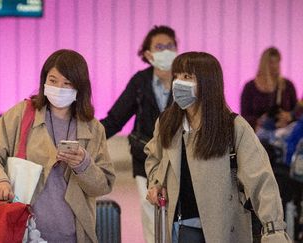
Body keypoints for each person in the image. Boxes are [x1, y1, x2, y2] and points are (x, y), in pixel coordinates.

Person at [145, 52, 290, 242]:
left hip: (223, 229)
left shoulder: (233, 126)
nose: (178, 83)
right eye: (177, 76)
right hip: (179, 227)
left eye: (187, 77)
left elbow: (261, 181)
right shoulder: (167, 123)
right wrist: (156, 183)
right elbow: (153, 157)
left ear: (207, 83)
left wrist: (274, 230)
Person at [0, 49, 115, 242]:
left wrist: (83, 165)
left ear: (80, 87)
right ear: (44, 81)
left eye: (67, 83)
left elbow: (103, 185)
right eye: (53, 80)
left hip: (74, 234)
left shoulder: (93, 128)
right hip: (23, 230)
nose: (59, 88)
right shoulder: (22, 114)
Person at [100, 25, 177, 243]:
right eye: (159, 47)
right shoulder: (140, 82)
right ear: (148, 54)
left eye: (170, 46)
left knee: (179, 218)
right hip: (146, 160)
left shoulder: (185, 80)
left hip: (180, 163)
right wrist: (88, 138)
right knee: (152, 217)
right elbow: (115, 119)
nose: (166, 51)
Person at [241, 47, 297, 132]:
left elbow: (297, 111)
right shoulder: (250, 87)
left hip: (284, 133)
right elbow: (244, 116)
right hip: (258, 134)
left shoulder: (287, 86)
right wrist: (259, 120)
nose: (275, 66)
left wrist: (289, 116)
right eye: (271, 62)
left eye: (277, 62)